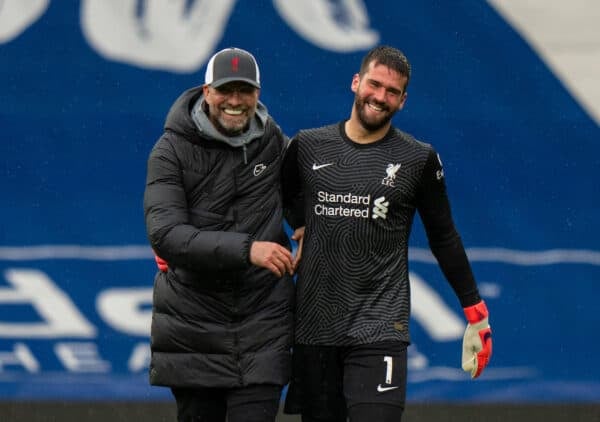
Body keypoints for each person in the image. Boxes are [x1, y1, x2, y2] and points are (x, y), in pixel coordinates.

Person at [281, 45, 493, 422]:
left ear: (403, 101)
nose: (380, 97)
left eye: (391, 92)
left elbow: (444, 237)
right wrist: (299, 225)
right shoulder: (307, 145)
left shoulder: (418, 159)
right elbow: (281, 194)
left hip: (380, 326)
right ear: (356, 82)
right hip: (315, 328)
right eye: (374, 85)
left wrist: (476, 312)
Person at [143, 47, 295, 422]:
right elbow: (166, 232)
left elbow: (315, 191)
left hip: (263, 325)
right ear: (207, 91)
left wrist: (307, 228)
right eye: (225, 90)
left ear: (257, 94)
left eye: (245, 91)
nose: (235, 101)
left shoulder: (275, 143)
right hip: (194, 328)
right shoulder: (170, 151)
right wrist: (248, 250)